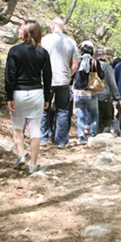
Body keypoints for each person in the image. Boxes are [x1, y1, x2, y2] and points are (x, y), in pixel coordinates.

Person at [5, 20, 52, 174]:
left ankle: (20, 154)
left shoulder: (14, 51)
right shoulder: (43, 53)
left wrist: (9, 96)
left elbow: (9, 76)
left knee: (17, 126)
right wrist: (47, 98)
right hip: (36, 92)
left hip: (18, 92)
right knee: (35, 128)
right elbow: (47, 77)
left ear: (26, 32)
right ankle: (32, 164)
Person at [40, 17, 79, 149]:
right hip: (63, 79)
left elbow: (38, 59)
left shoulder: (44, 40)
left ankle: (42, 138)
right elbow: (75, 65)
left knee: (44, 109)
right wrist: (68, 75)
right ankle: (61, 140)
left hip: (46, 80)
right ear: (64, 27)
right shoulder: (71, 42)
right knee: (63, 110)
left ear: (52, 25)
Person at [72, 42, 104, 145]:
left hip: (78, 92)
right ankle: (92, 135)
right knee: (94, 115)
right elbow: (102, 75)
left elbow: (72, 75)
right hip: (91, 92)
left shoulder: (77, 61)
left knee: (80, 116)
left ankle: (81, 137)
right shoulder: (94, 62)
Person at [95, 49, 121, 134]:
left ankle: (97, 136)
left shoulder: (90, 65)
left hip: (93, 96)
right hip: (106, 96)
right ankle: (105, 135)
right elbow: (112, 84)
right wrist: (117, 97)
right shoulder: (108, 67)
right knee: (107, 117)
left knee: (97, 118)